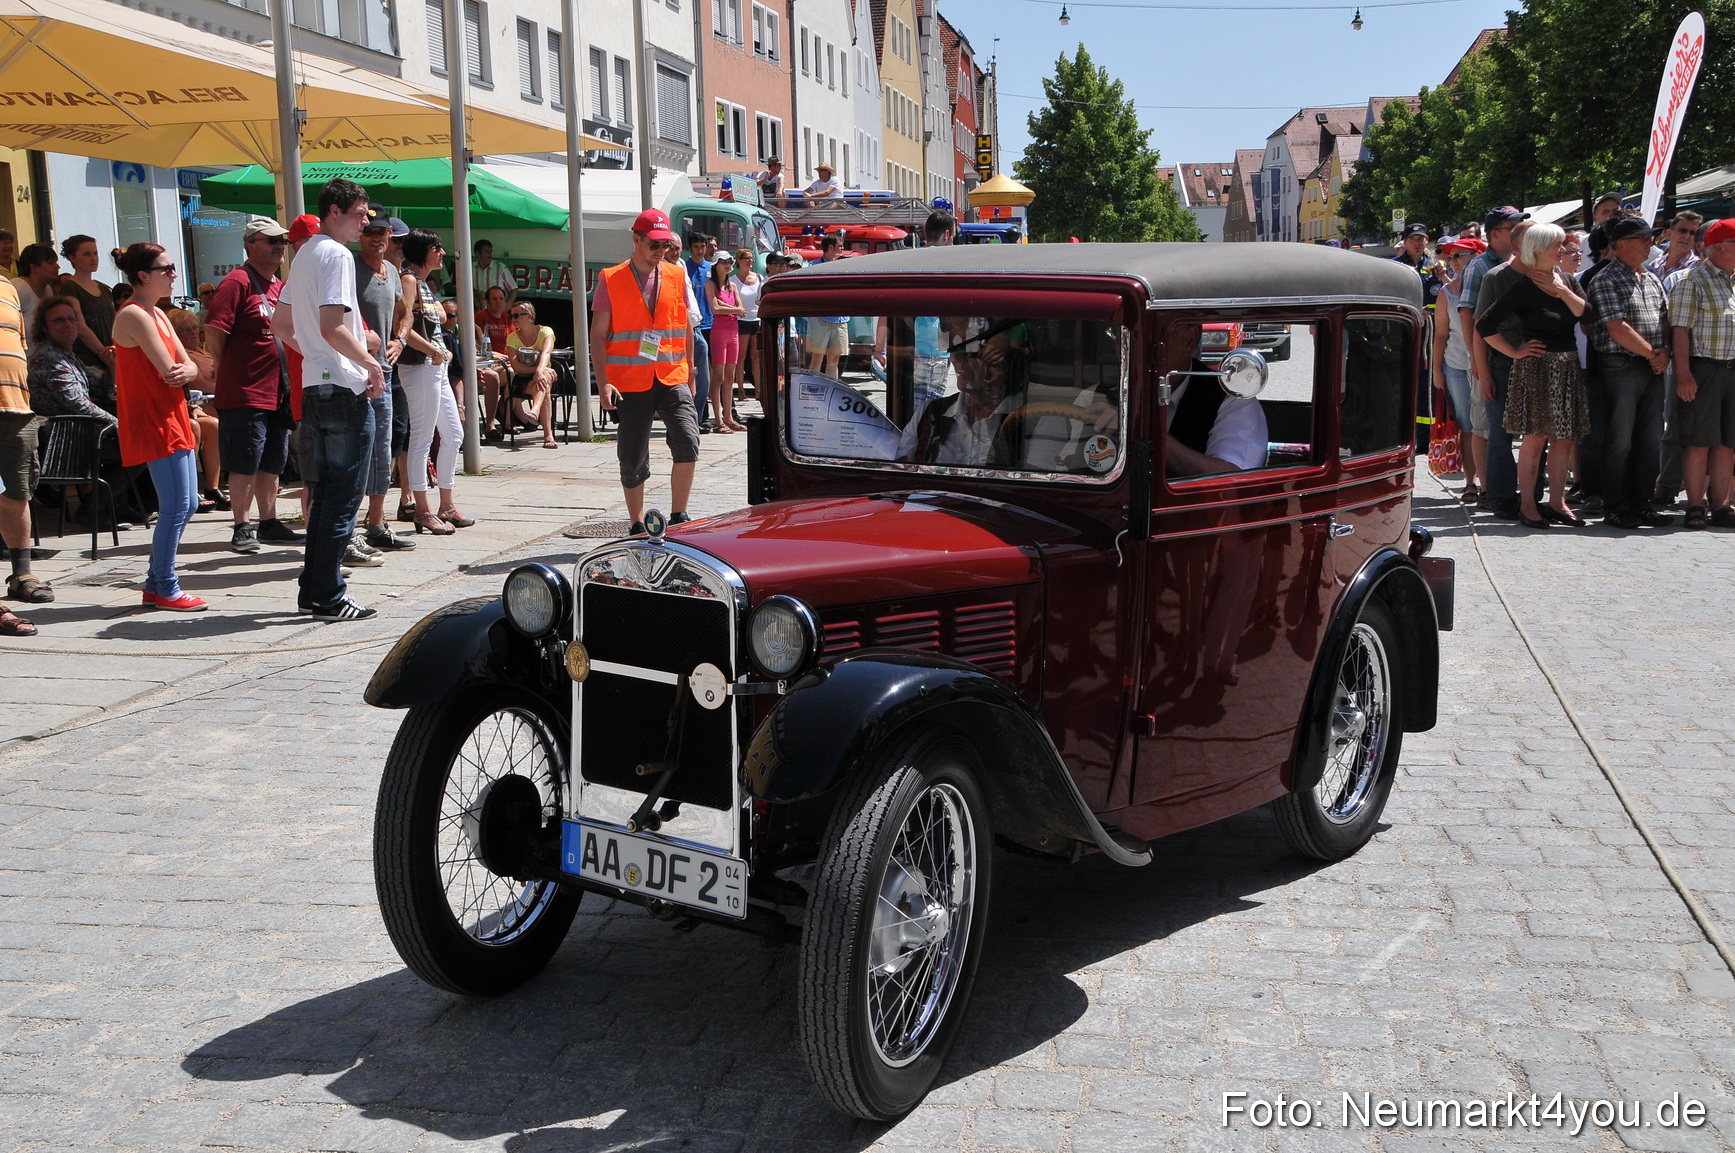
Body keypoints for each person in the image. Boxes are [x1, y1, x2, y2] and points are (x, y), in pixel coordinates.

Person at [274, 177, 387, 621]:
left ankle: (315, 588)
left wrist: (319, 356)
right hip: (341, 389)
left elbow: (281, 325)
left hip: (315, 385)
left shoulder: (304, 254)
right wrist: (369, 364)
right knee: (342, 497)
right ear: (335, 212)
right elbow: (330, 326)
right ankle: (328, 593)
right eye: (360, 213)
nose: (365, 222)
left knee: (325, 496)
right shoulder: (337, 254)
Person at [590, 208, 699, 534]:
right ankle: (637, 523)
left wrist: (691, 372)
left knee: (688, 439)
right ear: (636, 239)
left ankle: (679, 516)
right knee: (633, 454)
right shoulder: (611, 278)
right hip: (629, 380)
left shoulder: (677, 276)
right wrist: (603, 382)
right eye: (654, 244)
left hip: (671, 374)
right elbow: (597, 334)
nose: (660, 251)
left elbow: (685, 327)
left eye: (665, 244)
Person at [111, 243, 206, 611]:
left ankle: (156, 582)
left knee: (189, 504)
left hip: (172, 414)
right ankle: (165, 585)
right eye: (165, 268)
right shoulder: (134, 314)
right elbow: (172, 370)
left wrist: (190, 371)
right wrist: (189, 371)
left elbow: (192, 366)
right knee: (176, 506)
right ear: (142, 276)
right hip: (152, 418)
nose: (173, 273)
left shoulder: (159, 314)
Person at [1475, 222, 1589, 530]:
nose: (1563, 250)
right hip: (1537, 368)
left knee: (1564, 438)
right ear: (1539, 250)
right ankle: (1528, 504)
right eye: (1557, 245)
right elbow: (1485, 325)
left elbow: (1587, 314)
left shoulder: (1566, 279)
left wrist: (1563, 290)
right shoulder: (1523, 285)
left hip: (1566, 366)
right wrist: (1514, 352)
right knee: (1535, 438)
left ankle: (1556, 502)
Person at [206, 216, 303, 554]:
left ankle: (269, 521)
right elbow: (215, 331)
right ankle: (241, 526)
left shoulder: (278, 284)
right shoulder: (237, 281)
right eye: (269, 240)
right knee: (246, 460)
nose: (278, 246)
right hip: (246, 389)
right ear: (249, 245)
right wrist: (225, 366)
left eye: (281, 241)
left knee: (273, 459)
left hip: (278, 389)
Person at [1587, 217, 1673, 530]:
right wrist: (1654, 353)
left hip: (1652, 365)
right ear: (1621, 244)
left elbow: (1664, 318)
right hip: (1621, 365)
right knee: (1620, 440)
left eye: (1651, 237)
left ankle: (1641, 503)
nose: (1650, 242)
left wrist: (1664, 352)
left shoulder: (1651, 278)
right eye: (1642, 238)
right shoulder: (1607, 278)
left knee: (1650, 440)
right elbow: (1616, 326)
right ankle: (1616, 506)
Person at [398, 229, 469, 534]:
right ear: (422, 251)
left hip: (435, 368)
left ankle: (447, 504)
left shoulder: (424, 284)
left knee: (453, 435)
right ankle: (422, 509)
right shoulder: (409, 280)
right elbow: (400, 328)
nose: (442, 252)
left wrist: (439, 351)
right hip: (420, 367)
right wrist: (433, 350)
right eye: (436, 247)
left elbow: (437, 319)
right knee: (422, 439)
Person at [1460, 206, 1530, 519]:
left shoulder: (1525, 263)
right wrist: (1478, 362)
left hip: (1520, 358)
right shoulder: (1481, 266)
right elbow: (1469, 317)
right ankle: (1490, 490)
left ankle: (1518, 491)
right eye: (1513, 227)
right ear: (1495, 233)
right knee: (1488, 427)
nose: (1520, 231)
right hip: (1490, 358)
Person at [1668, 218, 1735, 530]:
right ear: (1719, 247)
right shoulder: (1692, 282)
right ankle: (1695, 505)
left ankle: (1722, 505)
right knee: (1698, 441)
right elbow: (1680, 331)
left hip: (1732, 370)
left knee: (1727, 443)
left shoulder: (1733, 280)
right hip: (1704, 369)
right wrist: (1683, 374)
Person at [351, 204, 407, 567]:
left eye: (381, 232)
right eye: (369, 232)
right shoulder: (350, 270)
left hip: (385, 373)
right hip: (354, 374)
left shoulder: (392, 272)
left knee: (383, 449)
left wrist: (400, 339)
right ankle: (350, 528)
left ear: (389, 234)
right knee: (358, 448)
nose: (376, 238)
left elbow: (406, 311)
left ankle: (376, 521)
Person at [0, 270, 47, 628]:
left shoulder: (8, 289)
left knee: (17, 492)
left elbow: (19, 345)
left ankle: (21, 575)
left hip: (15, 406)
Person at [1433, 238, 1487, 502]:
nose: (1452, 262)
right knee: (1467, 425)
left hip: (1488, 364)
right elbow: (1440, 335)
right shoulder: (1447, 292)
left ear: (1477, 256)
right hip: (1456, 365)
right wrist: (1436, 370)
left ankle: (1493, 480)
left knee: (1491, 426)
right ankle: (1471, 482)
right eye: (1450, 257)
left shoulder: (1490, 284)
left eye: (1458, 256)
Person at [167, 309, 226, 512]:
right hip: (203, 402)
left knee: (213, 426)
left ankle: (213, 487)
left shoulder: (203, 351)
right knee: (207, 425)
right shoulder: (180, 356)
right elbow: (204, 384)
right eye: (186, 330)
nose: (193, 333)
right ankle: (191, 492)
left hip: (211, 403)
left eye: (195, 328)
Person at [29, 297, 115, 426]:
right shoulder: (48, 357)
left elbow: (101, 391)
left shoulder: (68, 356)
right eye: (59, 320)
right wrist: (118, 424)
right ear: (44, 327)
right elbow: (77, 404)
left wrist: (112, 364)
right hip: (62, 438)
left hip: (80, 433)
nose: (68, 325)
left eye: (72, 319)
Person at [57, 236, 118, 386]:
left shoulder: (103, 288)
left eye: (95, 253)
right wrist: (103, 352)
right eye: (87, 254)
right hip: (90, 360)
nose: (93, 258)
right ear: (72, 258)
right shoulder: (70, 287)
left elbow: (115, 322)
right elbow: (80, 325)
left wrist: (114, 349)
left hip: (112, 358)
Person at [505, 299, 558, 450]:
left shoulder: (545, 331)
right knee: (545, 384)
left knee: (544, 380)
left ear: (529, 316)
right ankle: (548, 435)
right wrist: (540, 371)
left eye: (517, 315)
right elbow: (516, 367)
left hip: (540, 376)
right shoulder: (512, 338)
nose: (513, 319)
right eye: (512, 316)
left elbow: (547, 353)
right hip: (523, 379)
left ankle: (535, 411)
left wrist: (539, 371)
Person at [706, 254, 747, 432]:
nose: (728, 265)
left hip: (733, 330)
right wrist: (735, 309)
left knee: (730, 376)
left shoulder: (733, 286)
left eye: (729, 262)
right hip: (719, 331)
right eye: (723, 262)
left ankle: (728, 416)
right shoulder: (710, 284)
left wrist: (731, 308)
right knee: (718, 376)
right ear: (716, 265)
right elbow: (715, 308)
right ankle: (718, 420)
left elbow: (740, 308)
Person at [682, 232, 716, 433]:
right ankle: (696, 414)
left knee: (710, 373)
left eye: (703, 246)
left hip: (711, 323)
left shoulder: (711, 268)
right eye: (696, 246)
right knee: (695, 372)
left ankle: (704, 413)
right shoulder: (685, 268)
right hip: (693, 326)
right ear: (691, 248)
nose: (700, 250)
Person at [474, 285, 514, 439]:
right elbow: (479, 344)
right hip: (488, 361)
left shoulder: (507, 318)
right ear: (487, 302)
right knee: (503, 374)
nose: (498, 302)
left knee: (514, 372)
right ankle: (495, 422)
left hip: (505, 361)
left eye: (501, 299)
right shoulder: (480, 317)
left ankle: (508, 419)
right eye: (494, 299)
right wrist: (492, 354)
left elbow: (512, 341)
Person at [806, 235, 849, 377]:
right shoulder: (814, 266)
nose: (842, 249)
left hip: (840, 318)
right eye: (840, 246)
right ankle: (813, 392)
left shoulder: (844, 266)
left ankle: (832, 391)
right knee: (817, 356)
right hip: (820, 317)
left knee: (835, 358)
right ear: (831, 247)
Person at [731, 248, 763, 406]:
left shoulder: (759, 277)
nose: (749, 261)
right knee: (740, 356)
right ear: (739, 261)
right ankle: (741, 390)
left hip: (756, 320)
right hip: (741, 320)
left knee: (756, 356)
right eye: (746, 259)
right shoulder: (733, 280)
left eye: (751, 259)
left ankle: (758, 390)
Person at [11, 243, 58, 334]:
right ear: (34, 267)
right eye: (50, 263)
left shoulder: (48, 290)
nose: (57, 267)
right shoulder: (19, 288)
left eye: (56, 262)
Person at [1648, 212, 1703, 280]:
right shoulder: (1655, 264)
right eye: (1682, 231)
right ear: (1670, 233)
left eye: (1692, 233)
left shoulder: (1696, 267)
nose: (1687, 236)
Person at [472, 239, 517, 310]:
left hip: (497, 312)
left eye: (491, 251)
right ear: (478, 254)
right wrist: (476, 293)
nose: (490, 254)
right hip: (479, 312)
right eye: (487, 252)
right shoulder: (470, 268)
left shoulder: (500, 267)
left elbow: (514, 289)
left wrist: (508, 305)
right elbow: (465, 289)